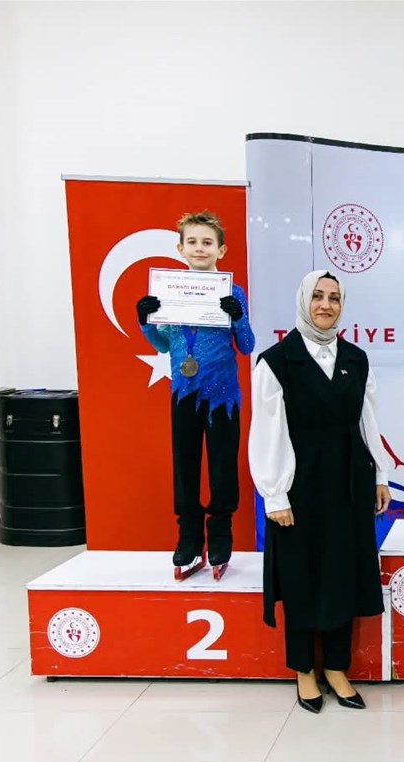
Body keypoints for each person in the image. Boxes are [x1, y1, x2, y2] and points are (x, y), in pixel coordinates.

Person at [249, 270, 393, 714]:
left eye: (334, 298)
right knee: (301, 575)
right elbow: (267, 432)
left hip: (348, 479)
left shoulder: (356, 358)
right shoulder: (276, 361)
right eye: (317, 296)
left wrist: (380, 474)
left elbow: (368, 420)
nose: (326, 305)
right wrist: (275, 494)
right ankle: (303, 671)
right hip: (300, 483)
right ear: (303, 301)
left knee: (340, 574)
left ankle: (335, 667)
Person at [136, 211, 255, 581]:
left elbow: (247, 345)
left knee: (222, 467)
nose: (200, 248)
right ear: (180, 248)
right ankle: (188, 537)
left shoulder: (233, 292)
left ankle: (220, 536)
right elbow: (163, 343)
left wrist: (238, 317)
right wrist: (145, 321)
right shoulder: (170, 291)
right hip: (184, 393)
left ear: (221, 250)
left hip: (224, 397)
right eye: (192, 242)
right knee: (185, 466)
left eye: (207, 242)